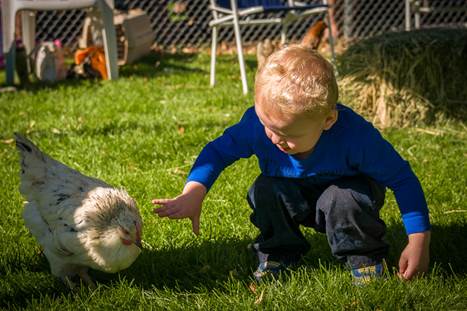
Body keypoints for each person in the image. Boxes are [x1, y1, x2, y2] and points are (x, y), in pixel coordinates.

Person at [152, 45, 431, 284]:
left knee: (344, 200)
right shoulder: (259, 127)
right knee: (265, 190)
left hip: (345, 193)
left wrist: (419, 240)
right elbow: (217, 152)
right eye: (266, 125)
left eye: (287, 135)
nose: (273, 138)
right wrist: (194, 191)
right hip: (292, 192)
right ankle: (279, 253)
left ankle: (364, 258)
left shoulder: (355, 137)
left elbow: (402, 179)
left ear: (328, 121)